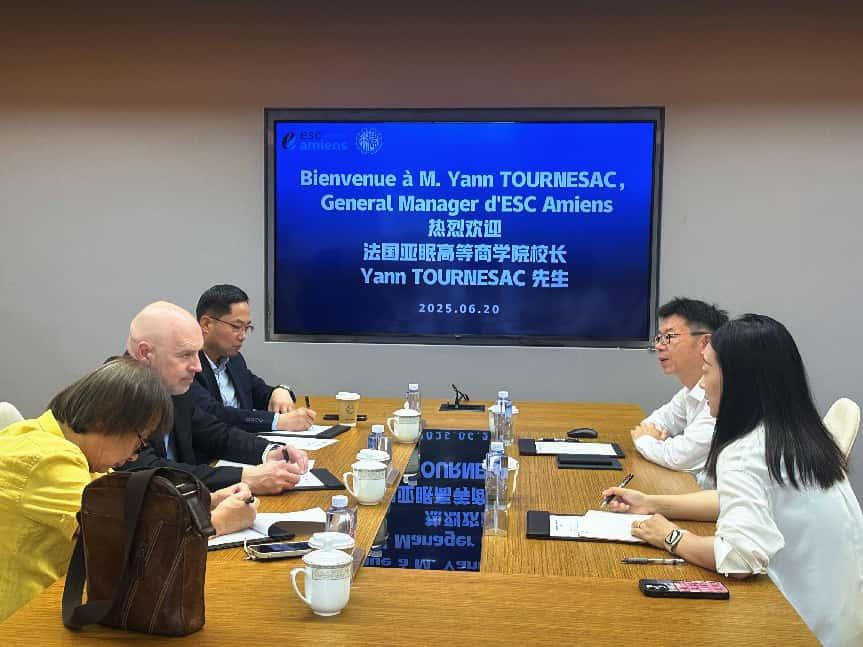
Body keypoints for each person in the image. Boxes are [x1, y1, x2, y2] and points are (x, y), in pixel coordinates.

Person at [605, 315, 863, 646]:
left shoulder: (745, 451)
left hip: (797, 627)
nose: (702, 384)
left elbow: (739, 559)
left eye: (707, 369)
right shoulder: (798, 436)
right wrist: (652, 503)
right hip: (840, 622)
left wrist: (670, 536)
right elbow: (741, 500)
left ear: (737, 379)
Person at [0, 359, 258, 621]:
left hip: (61, 603)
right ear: (108, 419)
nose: (135, 456)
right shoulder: (47, 459)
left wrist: (208, 501)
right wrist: (217, 523)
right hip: (22, 622)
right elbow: (130, 546)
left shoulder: (71, 448)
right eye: (140, 441)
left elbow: (129, 512)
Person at [120, 301, 309, 494]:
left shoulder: (169, 384)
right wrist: (245, 477)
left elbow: (215, 433)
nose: (197, 367)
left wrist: (270, 451)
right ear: (145, 353)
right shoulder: (117, 393)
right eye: (185, 355)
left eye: (197, 354)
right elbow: (148, 470)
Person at [190, 284, 315, 433]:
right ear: (206, 324)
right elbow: (214, 413)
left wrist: (280, 390)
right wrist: (277, 422)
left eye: (247, 328)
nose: (242, 336)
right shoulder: (189, 365)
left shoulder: (234, 360)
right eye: (236, 326)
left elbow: (258, 391)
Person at [631, 298, 728, 487]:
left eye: (669, 337)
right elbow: (652, 423)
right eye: (659, 338)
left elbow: (679, 458)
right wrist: (651, 438)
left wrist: (645, 440)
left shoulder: (722, 394)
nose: (659, 346)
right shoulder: (690, 390)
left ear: (705, 342)